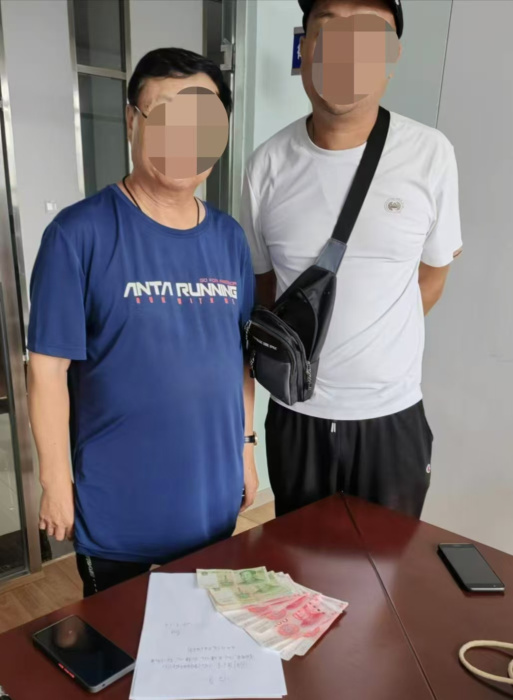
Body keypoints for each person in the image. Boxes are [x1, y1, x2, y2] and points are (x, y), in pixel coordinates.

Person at [28, 48, 258, 597]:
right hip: (117, 512)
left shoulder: (229, 238)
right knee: (118, 644)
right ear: (133, 120)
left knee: (204, 635)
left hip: (210, 502)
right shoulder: (77, 235)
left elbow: (240, 360)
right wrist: (56, 481)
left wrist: (248, 451)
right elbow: (47, 371)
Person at [241, 0, 462, 519]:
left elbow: (433, 276)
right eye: (330, 32)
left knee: (389, 563)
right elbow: (265, 290)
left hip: (392, 417)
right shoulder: (266, 165)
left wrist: (371, 342)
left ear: (392, 55)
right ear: (306, 47)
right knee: (298, 560)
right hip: (297, 415)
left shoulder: (430, 154)